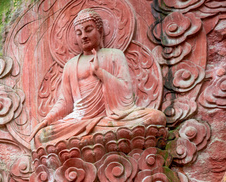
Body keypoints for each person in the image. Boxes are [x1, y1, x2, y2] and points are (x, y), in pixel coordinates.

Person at [30, 8, 166, 147]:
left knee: (156, 118)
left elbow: (126, 91)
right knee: (41, 137)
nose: (84, 36)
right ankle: (96, 136)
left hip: (111, 119)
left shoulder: (115, 55)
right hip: (79, 122)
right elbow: (65, 102)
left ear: (100, 31)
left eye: (88, 30)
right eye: (79, 33)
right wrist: (47, 120)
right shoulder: (70, 66)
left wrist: (101, 73)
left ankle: (92, 137)